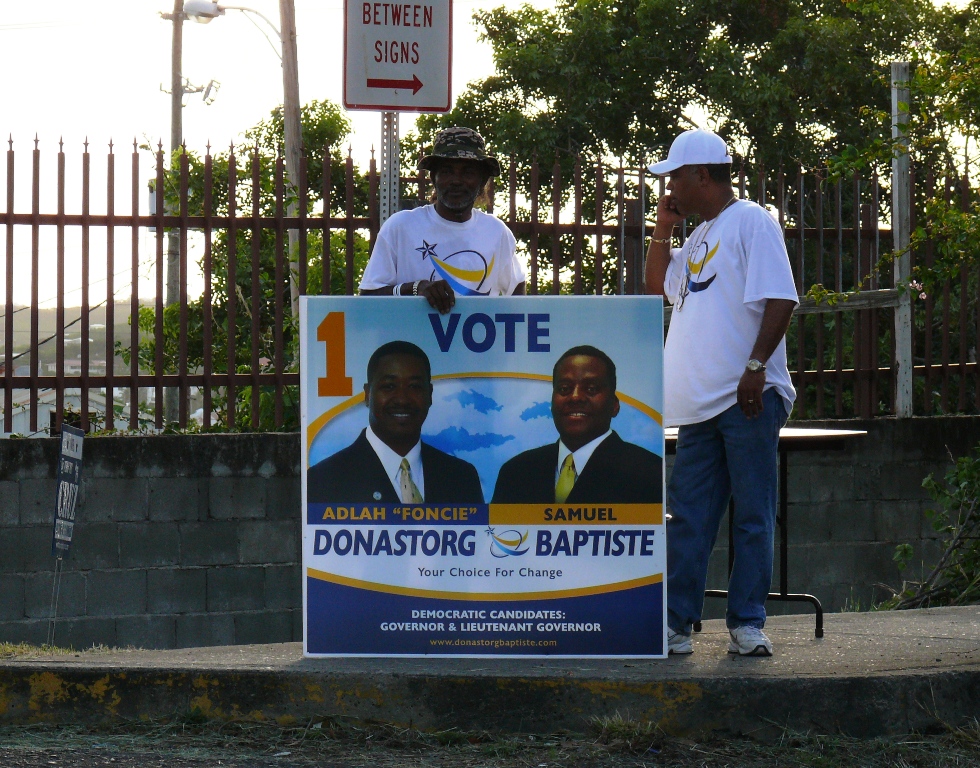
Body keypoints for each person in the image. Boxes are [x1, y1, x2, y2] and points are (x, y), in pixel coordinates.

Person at [644, 129, 798, 657]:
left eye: (674, 177)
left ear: (702, 175)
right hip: (699, 406)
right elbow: (653, 289)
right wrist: (664, 229)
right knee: (689, 515)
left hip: (746, 398)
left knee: (752, 512)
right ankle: (675, 624)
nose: (669, 186)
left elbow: (781, 298)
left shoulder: (751, 221)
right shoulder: (698, 237)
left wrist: (755, 367)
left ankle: (747, 622)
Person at [359, 127, 526, 313]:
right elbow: (367, 297)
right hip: (412, 342)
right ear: (433, 177)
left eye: (468, 173)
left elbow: (517, 289)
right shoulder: (400, 227)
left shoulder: (496, 232)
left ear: (483, 180)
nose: (456, 180)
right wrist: (416, 288)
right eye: (447, 172)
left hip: (477, 341)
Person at [307, 341, 483, 504]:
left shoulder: (462, 477)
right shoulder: (324, 479)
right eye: (389, 387)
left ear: (429, 394)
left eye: (414, 387)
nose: (402, 399)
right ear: (368, 395)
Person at [492, 346, 662, 504]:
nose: (575, 397)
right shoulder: (516, 472)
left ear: (615, 405)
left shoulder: (649, 473)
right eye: (565, 388)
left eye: (591, 389)